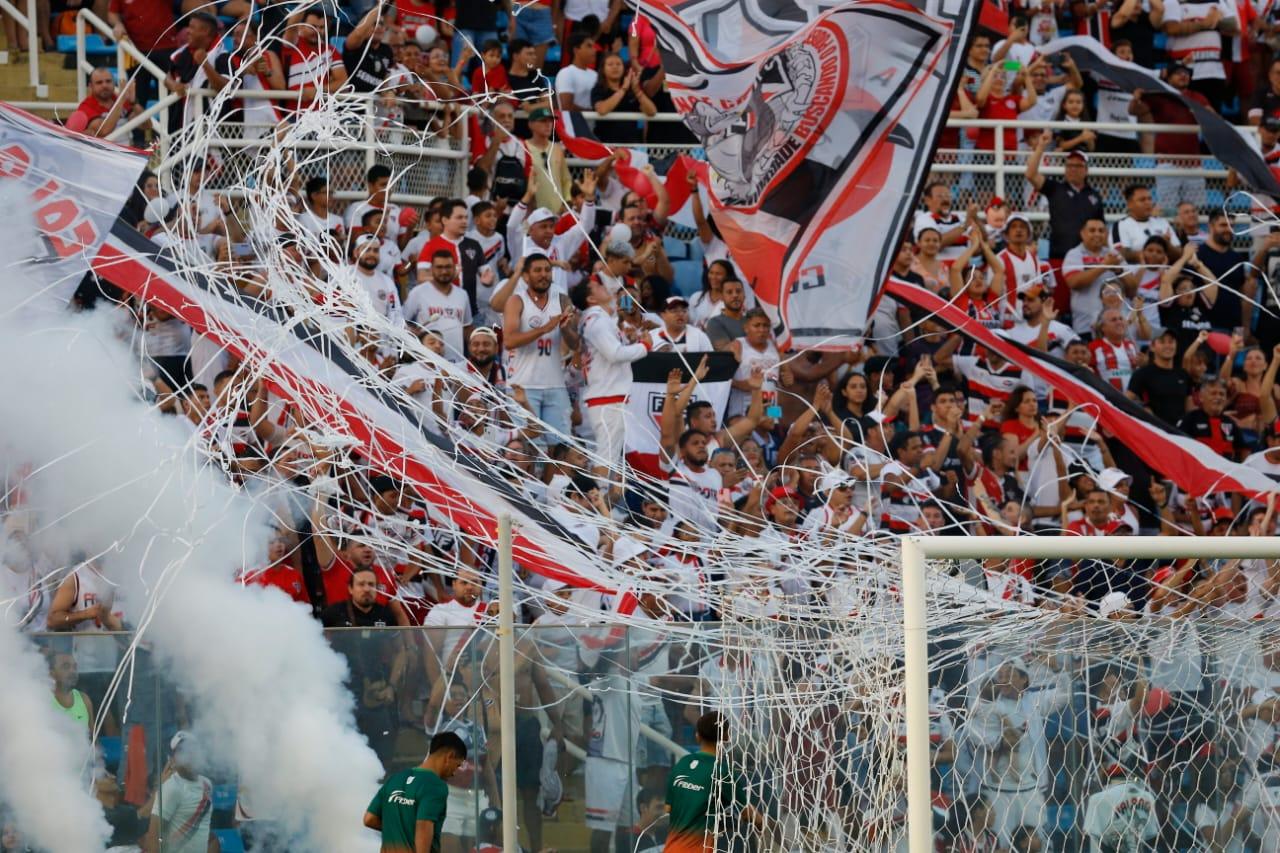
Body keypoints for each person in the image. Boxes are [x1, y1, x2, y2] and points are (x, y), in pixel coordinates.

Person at [570, 264, 652, 484]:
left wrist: (632, 340)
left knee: (611, 455)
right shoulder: (597, 322)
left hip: (608, 395)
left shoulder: (599, 319)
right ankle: (599, 497)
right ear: (591, 299)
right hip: (607, 397)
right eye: (597, 286)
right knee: (606, 456)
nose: (602, 286)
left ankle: (603, 496)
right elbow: (615, 354)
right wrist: (645, 346)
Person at [1025, 130, 1105, 313]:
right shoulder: (1056, 188)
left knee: (1085, 308)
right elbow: (1030, 174)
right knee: (1058, 308)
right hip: (1059, 257)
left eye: (1077, 165)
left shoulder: (1095, 196)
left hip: (1086, 261)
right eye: (1069, 165)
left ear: (1086, 170)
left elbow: (1101, 228)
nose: (1072, 169)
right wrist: (1041, 146)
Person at [662, 711, 764, 853]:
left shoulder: (682, 763)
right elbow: (749, 815)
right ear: (727, 736)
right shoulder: (723, 772)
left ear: (697, 736)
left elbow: (668, 808)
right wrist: (765, 827)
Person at [504, 253, 579, 442]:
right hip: (523, 385)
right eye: (537, 270)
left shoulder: (562, 300)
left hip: (556, 384)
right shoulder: (516, 301)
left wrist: (565, 329)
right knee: (528, 447)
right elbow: (509, 341)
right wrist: (544, 329)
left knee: (560, 447)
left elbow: (575, 344)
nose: (544, 274)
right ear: (525, 276)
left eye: (547, 270)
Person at [364, 731, 467, 853]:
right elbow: (423, 826)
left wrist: (400, 830)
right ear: (449, 756)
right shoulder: (435, 786)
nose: (454, 773)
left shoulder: (395, 779)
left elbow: (369, 819)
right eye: (457, 765)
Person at [142, 732, 213, 853]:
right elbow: (153, 838)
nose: (189, 755)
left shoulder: (207, 784)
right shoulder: (171, 788)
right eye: (181, 751)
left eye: (192, 749)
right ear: (172, 759)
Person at [404, 250, 474, 363]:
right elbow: (402, 321)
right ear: (431, 269)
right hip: (429, 362)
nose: (444, 271)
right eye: (439, 267)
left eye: (448, 267)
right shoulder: (418, 292)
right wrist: (411, 331)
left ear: (454, 268)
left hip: (457, 362)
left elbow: (467, 327)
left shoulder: (462, 294)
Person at [1109, 184, 1180, 263]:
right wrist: (1153, 254)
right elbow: (1122, 253)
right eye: (1142, 200)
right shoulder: (1120, 225)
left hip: (1167, 269)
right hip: (1135, 270)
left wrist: (1167, 244)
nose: (1148, 203)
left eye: (1149, 199)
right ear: (1129, 204)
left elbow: (1179, 253)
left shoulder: (1162, 223)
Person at [66, 68, 137, 137]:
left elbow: (143, 126)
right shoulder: (86, 106)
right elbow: (103, 131)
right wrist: (121, 100)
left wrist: (133, 103)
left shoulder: (119, 99)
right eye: (99, 82)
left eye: (108, 81)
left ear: (113, 83)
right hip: (103, 145)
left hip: (129, 144)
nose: (104, 85)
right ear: (91, 86)